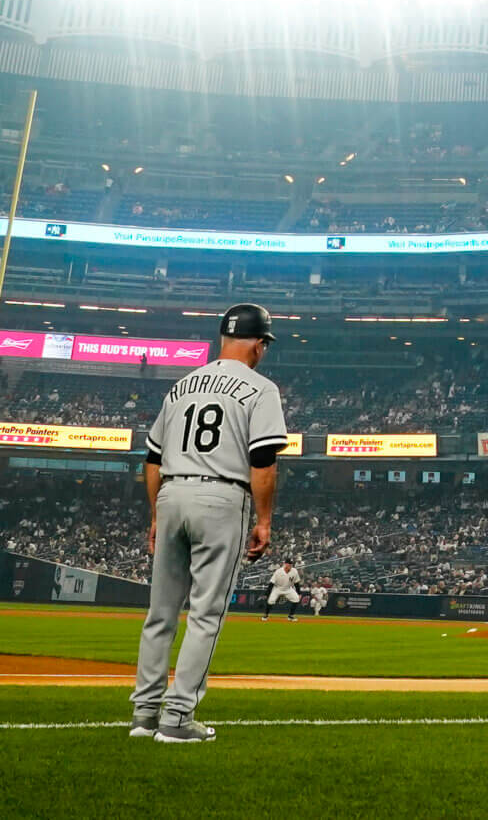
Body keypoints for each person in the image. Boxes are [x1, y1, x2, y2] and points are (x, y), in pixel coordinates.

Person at [130, 303, 289, 744]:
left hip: (172, 492)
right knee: (206, 615)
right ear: (259, 344)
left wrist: (157, 514)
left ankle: (144, 715)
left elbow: (152, 459)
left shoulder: (182, 385)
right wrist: (264, 520)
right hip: (221, 495)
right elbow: (263, 460)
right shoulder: (261, 388)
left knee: (160, 613)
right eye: (264, 345)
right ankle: (177, 718)